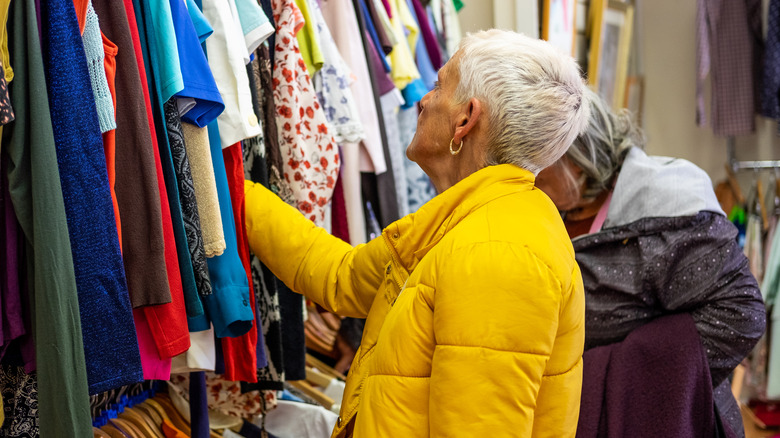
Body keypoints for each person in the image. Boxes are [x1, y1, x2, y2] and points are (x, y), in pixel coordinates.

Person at [245, 30, 589, 437]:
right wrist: (231, 188)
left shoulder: (498, 251)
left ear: (465, 119)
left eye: (440, 85)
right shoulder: (461, 222)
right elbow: (340, 275)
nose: (423, 98)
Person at [535, 89, 766, 437]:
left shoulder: (668, 209)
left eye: (537, 160)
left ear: (578, 159)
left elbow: (741, 318)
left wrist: (605, 377)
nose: (527, 172)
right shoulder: (550, 207)